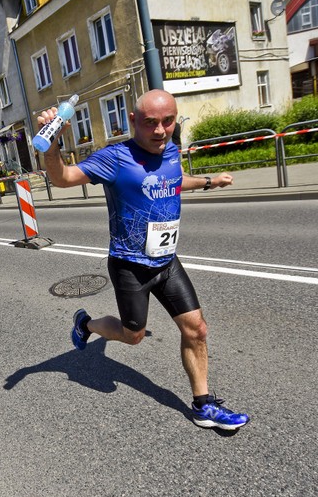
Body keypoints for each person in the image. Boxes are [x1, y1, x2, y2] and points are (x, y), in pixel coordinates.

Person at [37, 89, 249, 431]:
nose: (160, 130)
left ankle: (203, 405)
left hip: (166, 261)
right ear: (133, 120)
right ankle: (86, 324)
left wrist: (209, 181)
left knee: (197, 329)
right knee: (132, 335)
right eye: (150, 123)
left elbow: (174, 181)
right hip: (130, 267)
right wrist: (53, 146)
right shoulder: (115, 158)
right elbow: (62, 179)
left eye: (168, 121)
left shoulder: (171, 150)